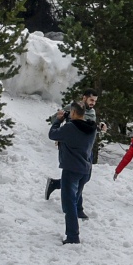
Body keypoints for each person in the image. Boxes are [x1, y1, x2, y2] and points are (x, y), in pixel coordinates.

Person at [48, 104, 96, 245]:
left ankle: (73, 237)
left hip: (71, 169)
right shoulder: (91, 128)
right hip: (85, 170)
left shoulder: (70, 128)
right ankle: (73, 234)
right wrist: (69, 118)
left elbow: (53, 134)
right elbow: (79, 125)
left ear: (73, 112)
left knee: (69, 205)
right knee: (74, 201)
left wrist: (58, 120)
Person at [45, 89, 98, 205]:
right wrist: (61, 132)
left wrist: (100, 128)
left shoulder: (92, 112)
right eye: (91, 100)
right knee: (77, 175)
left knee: (85, 177)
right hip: (71, 148)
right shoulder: (71, 107)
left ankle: (55, 184)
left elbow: (89, 129)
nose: (93, 103)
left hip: (86, 149)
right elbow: (55, 118)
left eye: (95, 101)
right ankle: (76, 207)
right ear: (84, 98)